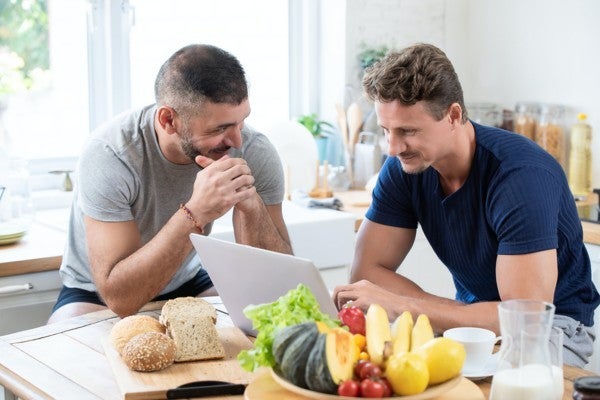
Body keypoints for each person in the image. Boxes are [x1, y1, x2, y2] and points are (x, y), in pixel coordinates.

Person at [332, 43, 599, 367]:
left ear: (454, 115)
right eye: (386, 130)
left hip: (552, 329)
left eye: (408, 131)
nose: (393, 147)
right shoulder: (404, 167)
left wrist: (403, 305)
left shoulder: (519, 176)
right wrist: (439, 313)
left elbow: (525, 318)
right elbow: (366, 274)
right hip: (470, 322)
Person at [48, 44, 292, 323]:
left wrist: (254, 210)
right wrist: (195, 213)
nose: (237, 141)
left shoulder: (255, 150)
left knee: (258, 330)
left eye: (241, 122)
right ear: (168, 120)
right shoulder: (111, 155)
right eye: (220, 129)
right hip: (94, 294)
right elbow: (120, 298)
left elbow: (280, 288)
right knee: (64, 358)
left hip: (187, 280)